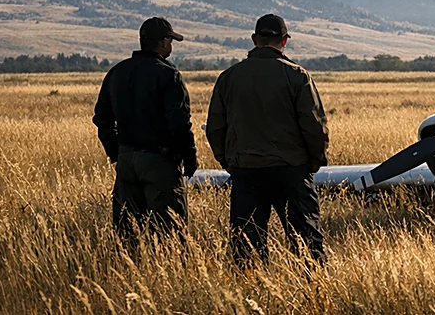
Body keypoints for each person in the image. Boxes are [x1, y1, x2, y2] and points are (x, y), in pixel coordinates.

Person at [206, 14, 329, 266]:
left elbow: (215, 128)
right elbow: (314, 126)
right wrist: (313, 162)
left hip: (247, 170)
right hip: (292, 169)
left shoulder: (229, 77)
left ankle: (252, 293)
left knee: (247, 243)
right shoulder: (297, 75)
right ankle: (312, 290)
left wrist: (229, 161)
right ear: (284, 41)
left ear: (254, 40)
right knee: (305, 240)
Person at [93, 16, 198, 247]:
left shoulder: (117, 72)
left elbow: (102, 119)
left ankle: (128, 275)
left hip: (127, 160)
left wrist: (116, 152)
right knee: (170, 234)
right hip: (159, 161)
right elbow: (180, 124)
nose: (171, 46)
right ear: (162, 43)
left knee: (127, 232)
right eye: (170, 40)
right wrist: (189, 159)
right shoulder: (168, 75)